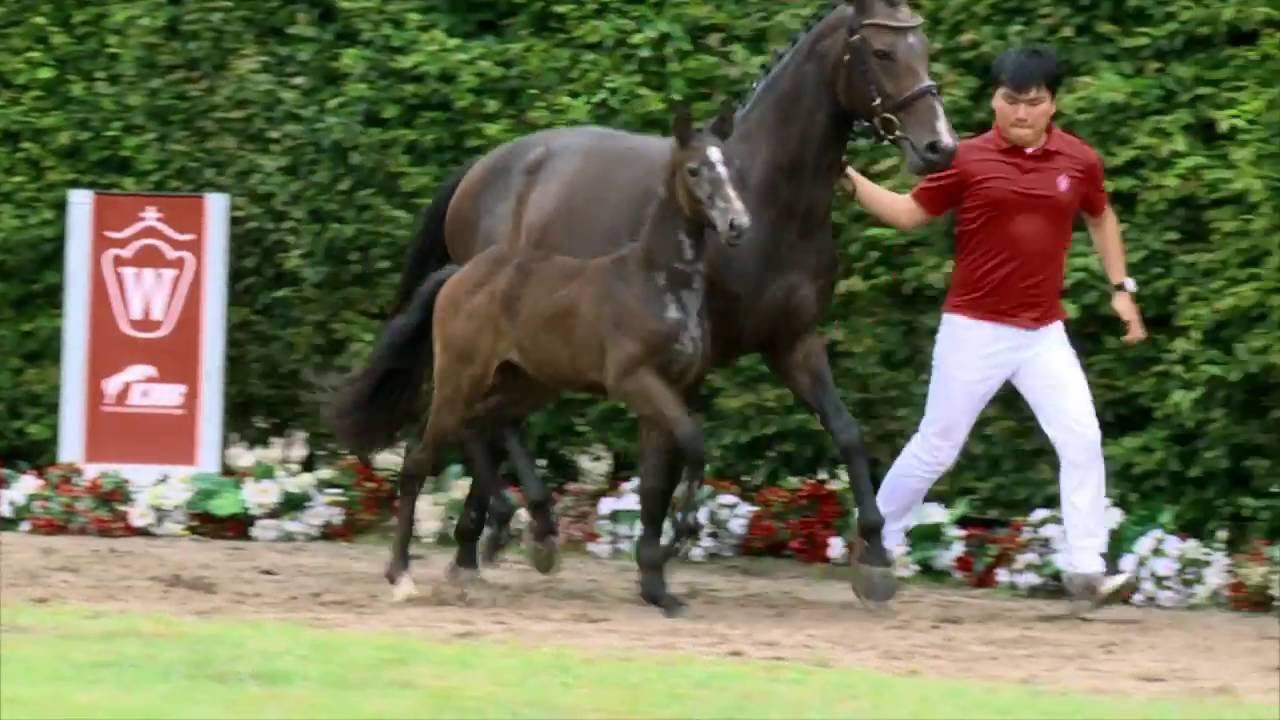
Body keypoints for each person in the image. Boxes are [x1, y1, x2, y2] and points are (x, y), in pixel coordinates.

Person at [841, 45, 1148, 612]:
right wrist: (847, 177)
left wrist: (1121, 287)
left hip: (1042, 334)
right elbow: (909, 214)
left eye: (1033, 103)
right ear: (994, 100)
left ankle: (1085, 571)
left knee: (1082, 439)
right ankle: (876, 533)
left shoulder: (1079, 161)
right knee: (937, 447)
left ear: (1053, 105)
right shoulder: (965, 159)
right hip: (973, 330)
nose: (1021, 113)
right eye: (1011, 100)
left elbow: (1101, 216)